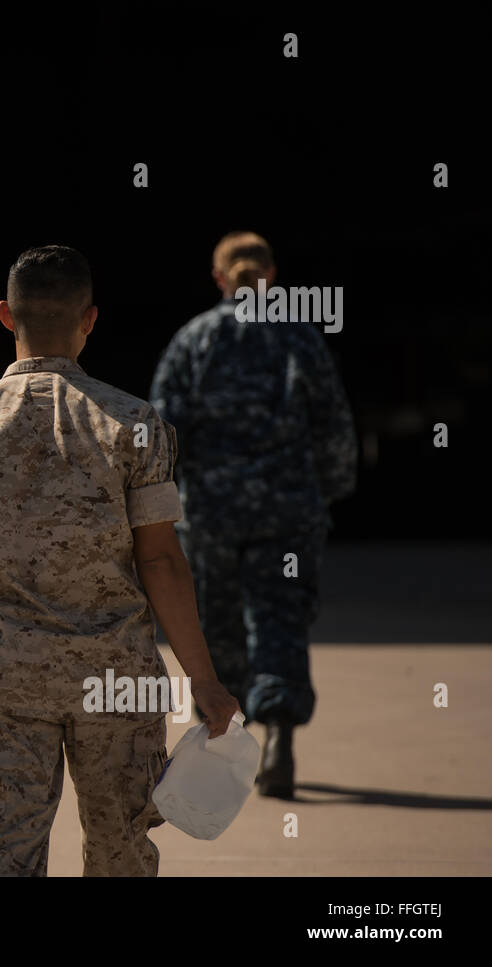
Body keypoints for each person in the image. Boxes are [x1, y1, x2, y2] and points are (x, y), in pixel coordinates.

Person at [0, 245, 241, 875]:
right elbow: (161, 562)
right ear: (90, 320)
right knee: (120, 852)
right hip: (117, 683)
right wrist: (204, 681)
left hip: (4, 683)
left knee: (2, 856)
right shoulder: (135, 425)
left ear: (4, 315)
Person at [150, 231, 357, 797]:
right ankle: (280, 743)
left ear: (219, 278)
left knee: (213, 624)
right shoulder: (300, 340)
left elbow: (161, 436)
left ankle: (217, 754)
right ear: (273, 275)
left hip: (212, 515)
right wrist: (330, 491)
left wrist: (159, 507)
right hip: (286, 514)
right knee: (279, 619)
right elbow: (334, 425)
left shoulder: (195, 340)